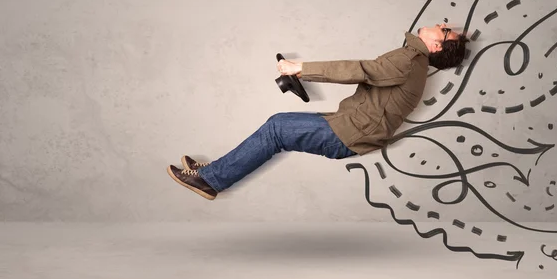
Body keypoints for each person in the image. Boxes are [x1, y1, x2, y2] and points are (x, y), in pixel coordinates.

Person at [167, 23, 469, 200]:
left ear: (437, 46)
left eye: (445, 30)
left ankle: (211, 181)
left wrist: (301, 68)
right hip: (348, 126)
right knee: (279, 127)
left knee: (277, 128)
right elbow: (370, 75)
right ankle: (211, 171)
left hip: (349, 134)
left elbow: (362, 70)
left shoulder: (409, 60)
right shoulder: (412, 61)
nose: (441, 24)